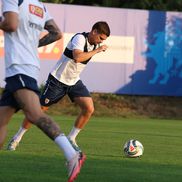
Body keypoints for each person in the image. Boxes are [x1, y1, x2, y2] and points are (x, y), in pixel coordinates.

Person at [0, 1, 85, 182]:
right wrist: (32, 45)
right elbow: (56, 33)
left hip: (19, 67)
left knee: (35, 114)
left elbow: (11, 24)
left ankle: (72, 154)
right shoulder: (38, 5)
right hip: (25, 68)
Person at [7, 21, 111, 153]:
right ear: (94, 31)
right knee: (37, 112)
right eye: (100, 38)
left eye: (103, 40)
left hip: (73, 82)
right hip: (57, 81)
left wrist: (96, 48)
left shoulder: (94, 44)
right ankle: (16, 138)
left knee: (89, 108)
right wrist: (97, 51)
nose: (101, 42)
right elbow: (77, 57)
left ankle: (71, 138)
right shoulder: (79, 38)